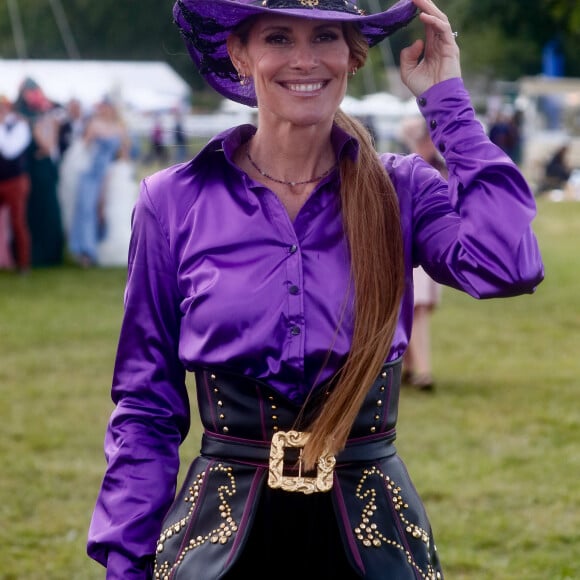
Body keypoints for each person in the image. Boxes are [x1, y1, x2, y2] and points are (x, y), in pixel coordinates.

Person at [87, 0, 544, 578]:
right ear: (239, 53)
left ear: (352, 57)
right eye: (278, 37)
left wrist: (447, 104)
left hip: (373, 545)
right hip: (217, 545)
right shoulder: (174, 201)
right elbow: (146, 403)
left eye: (326, 37)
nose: (304, 60)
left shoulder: (401, 190)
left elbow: (509, 264)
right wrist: (127, 562)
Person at [398, 115, 446, 391]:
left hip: (419, 251)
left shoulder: (430, 172)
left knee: (416, 312)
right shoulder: (409, 170)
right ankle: (414, 367)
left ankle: (420, 369)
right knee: (410, 312)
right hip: (410, 250)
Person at [68, 98, 129, 267]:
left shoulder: (119, 128)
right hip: (91, 173)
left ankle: (100, 247)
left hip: (108, 174)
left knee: (105, 211)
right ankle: (86, 251)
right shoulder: (94, 124)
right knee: (86, 210)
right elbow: (83, 147)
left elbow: (123, 153)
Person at [14, 78, 64, 268]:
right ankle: (36, 253)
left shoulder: (45, 116)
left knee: (47, 208)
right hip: (31, 169)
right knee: (32, 210)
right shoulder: (22, 116)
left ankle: (49, 252)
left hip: (44, 168)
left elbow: (49, 146)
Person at [0, 95, 32, 274]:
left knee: (18, 222)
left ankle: (23, 264)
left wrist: (2, 126)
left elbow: (9, 150)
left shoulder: (19, 126)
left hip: (15, 181)